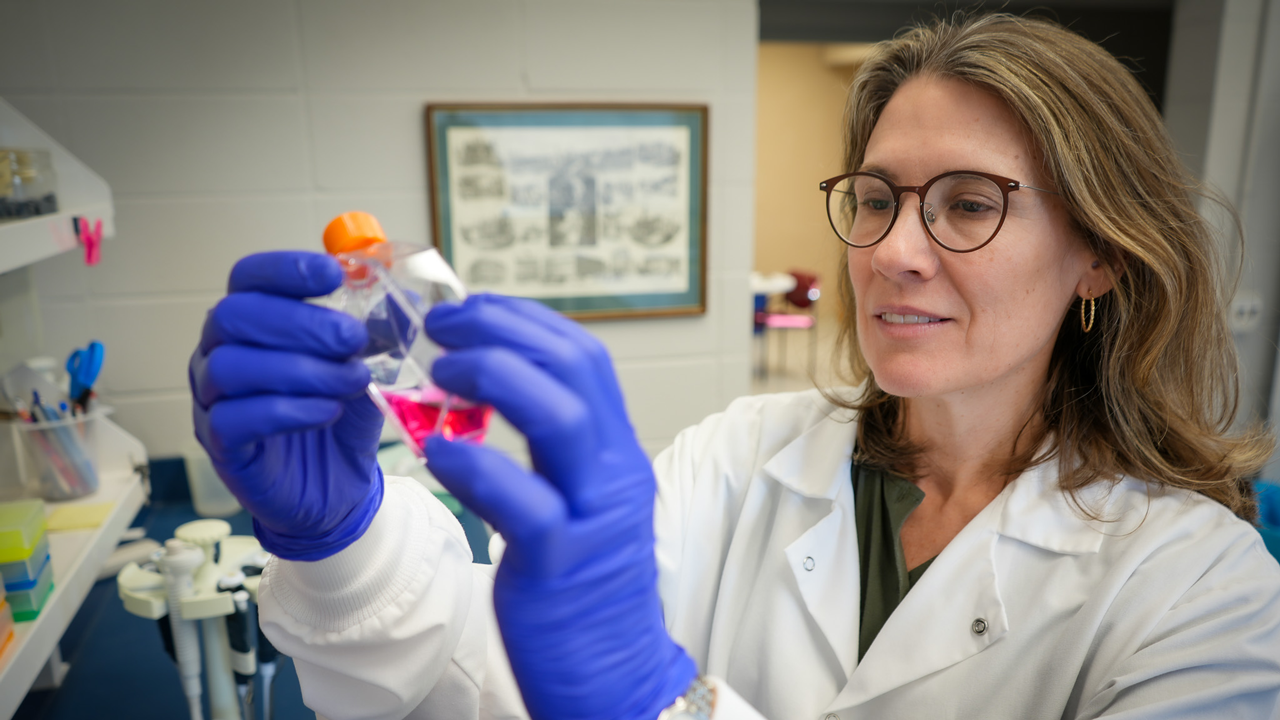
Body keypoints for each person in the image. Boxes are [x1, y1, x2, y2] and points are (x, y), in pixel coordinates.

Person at [189, 13, 1280, 720]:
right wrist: (341, 542)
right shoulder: (742, 454)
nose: (891, 250)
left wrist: (661, 700)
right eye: (875, 198)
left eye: (965, 204)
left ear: (1095, 254)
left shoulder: (1200, 595)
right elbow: (495, 687)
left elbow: (614, 687)